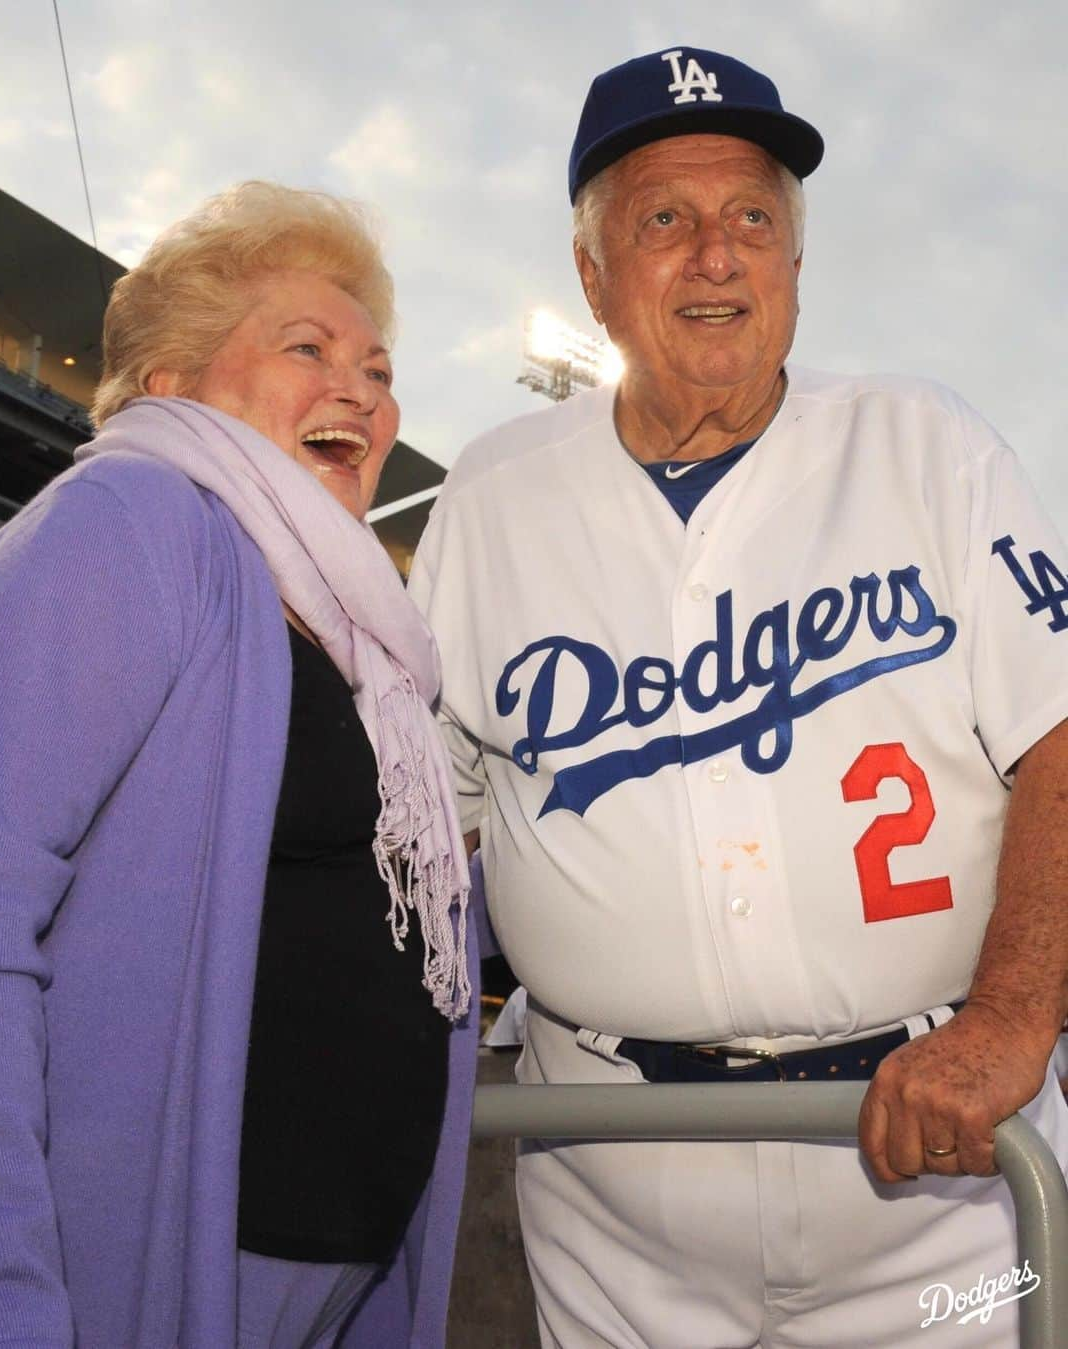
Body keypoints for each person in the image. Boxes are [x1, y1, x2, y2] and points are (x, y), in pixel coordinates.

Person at [409, 47, 1068, 1348]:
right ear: (593, 277)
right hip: (615, 1174)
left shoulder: (928, 446)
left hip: (940, 1168)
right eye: (665, 219)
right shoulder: (490, 500)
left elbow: (1059, 735)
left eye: (752, 218)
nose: (717, 254)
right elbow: (421, 823)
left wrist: (1011, 1016)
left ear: (797, 265)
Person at [0, 181, 478, 1349]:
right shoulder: (136, 516)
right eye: (306, 346)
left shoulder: (361, 644)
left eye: (377, 364)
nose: (361, 387)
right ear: (172, 382)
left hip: (332, 1281)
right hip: (139, 1277)